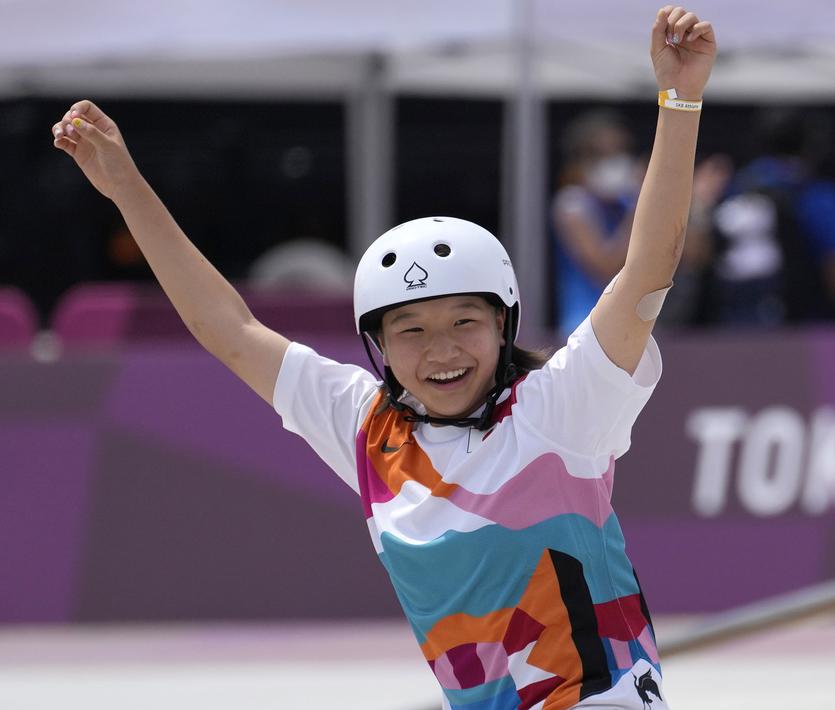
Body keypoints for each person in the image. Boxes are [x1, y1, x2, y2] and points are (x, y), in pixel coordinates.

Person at [50, 6, 715, 708]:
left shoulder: (560, 407)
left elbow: (646, 271)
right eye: (412, 332)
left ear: (503, 324)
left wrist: (680, 98)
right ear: (379, 348)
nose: (442, 350)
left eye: (465, 321)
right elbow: (227, 328)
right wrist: (125, 186)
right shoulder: (367, 430)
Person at [707, 109, 835, 326]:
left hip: (732, 325)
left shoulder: (732, 187)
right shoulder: (821, 197)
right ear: (811, 145)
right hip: (803, 332)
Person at [551, 110, 638, 336]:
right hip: (582, 326)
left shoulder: (627, 201)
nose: (613, 162)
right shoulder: (571, 204)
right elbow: (605, 267)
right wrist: (642, 211)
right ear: (581, 160)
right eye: (601, 154)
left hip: (630, 324)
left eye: (619, 152)